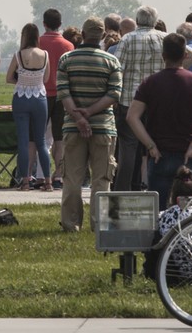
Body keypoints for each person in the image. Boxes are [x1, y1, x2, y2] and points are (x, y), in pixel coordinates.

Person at [126, 33, 192, 209]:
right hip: (189, 154)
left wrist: (150, 145)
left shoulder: (150, 83)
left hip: (160, 154)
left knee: (159, 213)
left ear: (163, 56)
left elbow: (132, 116)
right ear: (185, 55)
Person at [56, 17, 122, 232]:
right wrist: (91, 113)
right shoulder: (111, 61)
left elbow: (63, 92)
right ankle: (101, 225)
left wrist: (79, 118)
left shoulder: (67, 59)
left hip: (73, 127)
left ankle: (71, 223)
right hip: (103, 126)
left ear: (82, 35)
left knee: (72, 178)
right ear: (103, 36)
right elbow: (114, 94)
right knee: (102, 179)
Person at [113, 5, 166, 191]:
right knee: (156, 145)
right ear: (154, 21)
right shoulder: (164, 39)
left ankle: (123, 189)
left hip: (130, 101)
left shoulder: (128, 39)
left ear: (137, 20)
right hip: (157, 102)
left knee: (128, 147)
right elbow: (189, 55)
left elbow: (118, 68)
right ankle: (156, 187)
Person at [6, 23, 51, 191]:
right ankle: (47, 181)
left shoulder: (18, 55)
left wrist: (23, 80)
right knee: (41, 142)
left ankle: (25, 181)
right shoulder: (45, 55)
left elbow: (9, 77)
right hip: (40, 97)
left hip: (21, 97)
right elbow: (46, 78)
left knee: (23, 142)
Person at [40, 8, 74, 188]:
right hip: (62, 95)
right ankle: (59, 173)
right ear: (60, 24)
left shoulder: (38, 42)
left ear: (44, 23)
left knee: (40, 136)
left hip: (42, 93)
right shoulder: (68, 46)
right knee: (59, 137)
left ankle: (40, 173)